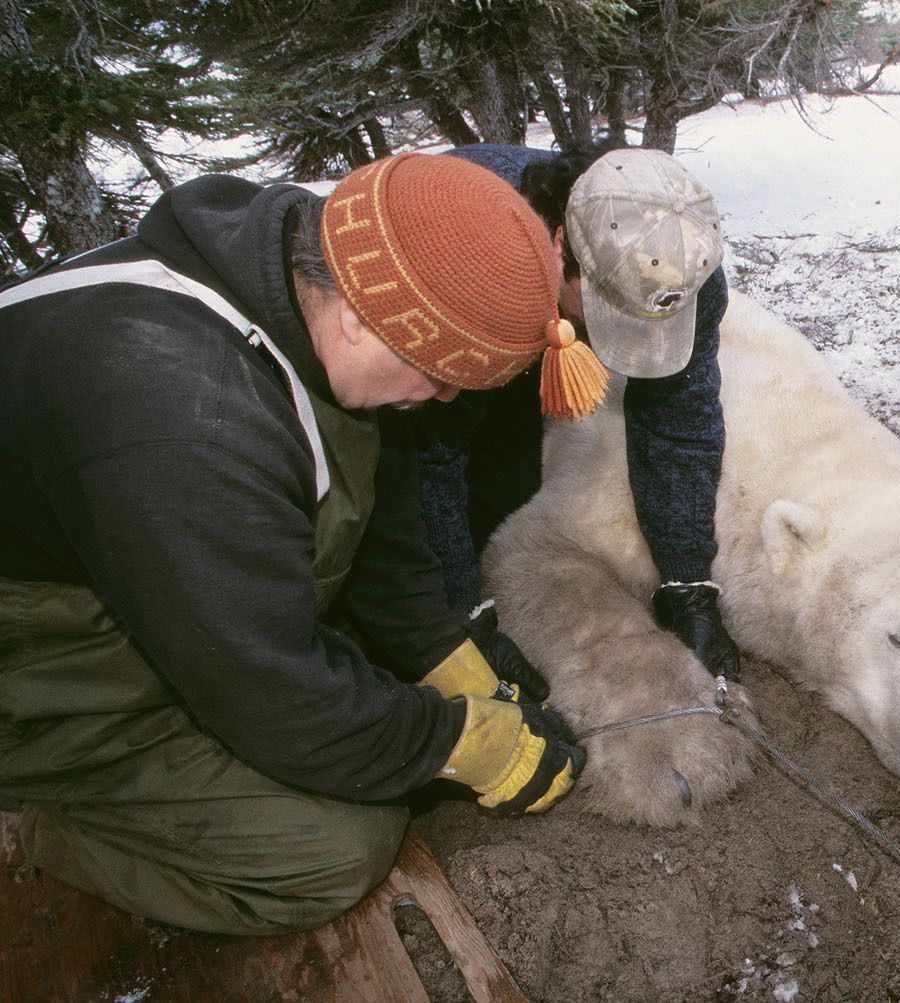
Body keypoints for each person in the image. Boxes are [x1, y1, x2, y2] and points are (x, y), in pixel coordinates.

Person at [0, 152, 594, 936]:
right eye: (437, 372)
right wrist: (461, 743)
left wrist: (442, 653)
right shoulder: (188, 419)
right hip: (39, 661)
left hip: (152, 573)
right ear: (359, 316)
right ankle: (46, 816)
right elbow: (273, 694)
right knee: (340, 845)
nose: (444, 396)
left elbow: (374, 503)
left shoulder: (298, 274)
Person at [415, 143, 741, 685]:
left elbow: (678, 424)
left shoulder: (684, 272)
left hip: (542, 312)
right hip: (460, 298)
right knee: (463, 477)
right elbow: (431, 452)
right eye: (607, 314)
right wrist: (455, 622)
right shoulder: (475, 261)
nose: (618, 348)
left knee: (512, 483)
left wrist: (688, 585)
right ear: (562, 245)